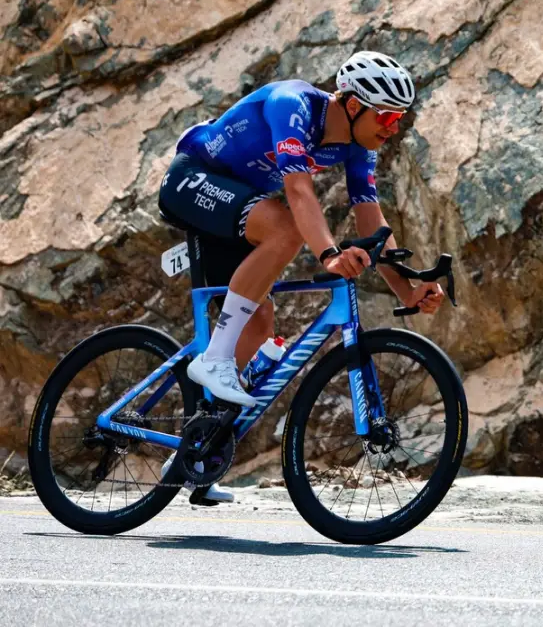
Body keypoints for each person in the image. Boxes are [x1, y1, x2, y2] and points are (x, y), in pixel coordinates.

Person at [157, 50, 445, 503]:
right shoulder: (293, 105)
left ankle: (195, 453)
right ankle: (212, 361)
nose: (391, 129)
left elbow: (371, 220)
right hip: (192, 180)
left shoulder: (357, 147)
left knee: (258, 322)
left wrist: (410, 289)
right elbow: (297, 190)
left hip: (240, 203)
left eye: (399, 119)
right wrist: (329, 254)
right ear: (353, 105)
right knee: (286, 227)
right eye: (386, 117)